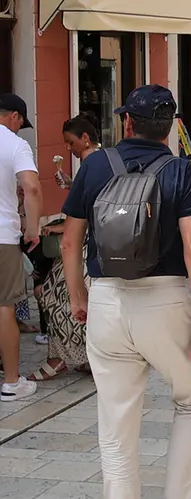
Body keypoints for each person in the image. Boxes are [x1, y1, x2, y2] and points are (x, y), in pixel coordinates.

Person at [61, 85, 191, 499]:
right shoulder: (179, 171)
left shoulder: (95, 165)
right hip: (166, 300)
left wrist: (79, 297)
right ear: (168, 127)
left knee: (116, 424)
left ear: (126, 122)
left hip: (107, 300)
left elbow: (70, 243)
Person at [28, 115, 100, 382]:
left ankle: (59, 359)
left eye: (70, 142)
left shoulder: (91, 164)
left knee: (50, 294)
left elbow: (86, 212)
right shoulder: (100, 162)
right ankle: (85, 356)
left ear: (85, 138)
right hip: (91, 244)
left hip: (84, 247)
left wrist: (60, 228)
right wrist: (72, 184)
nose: (68, 148)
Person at [0, 95, 41, 399]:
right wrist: (33, 227)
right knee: (5, 306)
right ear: (14, 116)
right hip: (2, 236)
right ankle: (12, 382)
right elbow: (32, 187)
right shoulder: (15, 144)